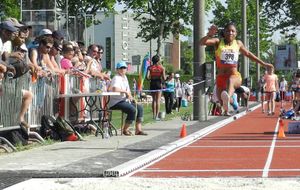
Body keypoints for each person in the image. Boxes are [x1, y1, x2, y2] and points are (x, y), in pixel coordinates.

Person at [200, 22, 273, 116]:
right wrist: (209, 34)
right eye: (228, 31)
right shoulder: (218, 42)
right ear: (224, 32)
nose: (230, 33)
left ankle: (229, 97)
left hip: (235, 76)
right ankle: (229, 104)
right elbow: (202, 42)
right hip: (221, 77)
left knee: (230, 81)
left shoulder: (238, 43)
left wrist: (263, 63)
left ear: (236, 33)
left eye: (232, 31)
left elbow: (248, 54)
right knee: (222, 102)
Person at [108, 61, 147, 136]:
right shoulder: (116, 78)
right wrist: (125, 92)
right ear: (117, 69)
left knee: (140, 107)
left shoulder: (125, 78)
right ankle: (125, 129)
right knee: (132, 110)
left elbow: (128, 91)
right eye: (121, 68)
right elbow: (114, 89)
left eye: (124, 68)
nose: (123, 69)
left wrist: (132, 98)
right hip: (116, 102)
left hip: (124, 100)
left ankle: (138, 130)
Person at [146, 54, 166, 120]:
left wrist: (151, 78)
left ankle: (154, 115)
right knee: (158, 100)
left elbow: (147, 77)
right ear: (158, 61)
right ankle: (157, 116)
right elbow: (164, 78)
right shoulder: (162, 68)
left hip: (152, 83)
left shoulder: (149, 67)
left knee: (154, 100)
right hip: (158, 84)